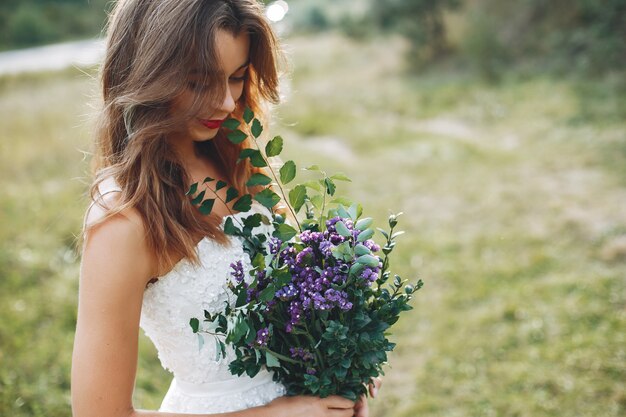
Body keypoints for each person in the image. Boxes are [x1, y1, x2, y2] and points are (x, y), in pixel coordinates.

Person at [71, 1, 380, 416]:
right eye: (199, 83)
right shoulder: (124, 219)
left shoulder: (234, 157)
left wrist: (339, 364)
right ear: (147, 74)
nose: (224, 102)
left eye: (237, 77)